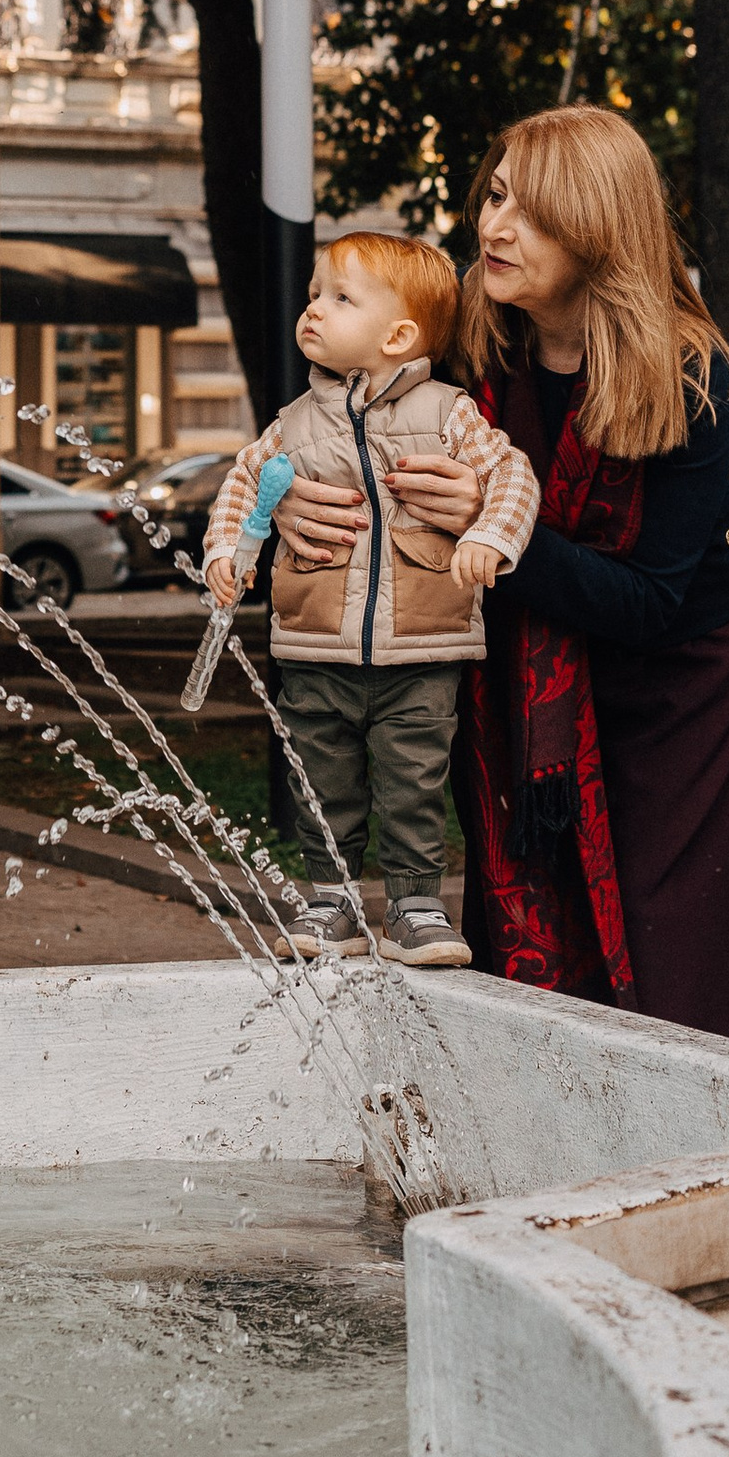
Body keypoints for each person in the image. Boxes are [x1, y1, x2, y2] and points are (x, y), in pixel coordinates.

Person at [270, 107, 729, 1057]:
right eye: (494, 196)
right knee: (530, 912)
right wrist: (290, 502)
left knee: (679, 942)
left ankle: (714, 1144)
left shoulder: (689, 376)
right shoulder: (468, 336)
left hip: (684, 673)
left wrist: (492, 532)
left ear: (599, 228)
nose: (492, 228)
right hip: (520, 675)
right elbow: (331, 421)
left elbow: (650, 602)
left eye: (532, 213)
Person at [202, 229, 538, 967]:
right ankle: (333, 901)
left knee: (413, 776)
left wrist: (492, 537)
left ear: (399, 335)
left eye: (340, 298)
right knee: (321, 775)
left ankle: (416, 904)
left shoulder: (448, 413)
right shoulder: (294, 423)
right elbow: (242, 486)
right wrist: (227, 552)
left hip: (421, 642)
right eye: (316, 293)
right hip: (315, 639)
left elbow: (513, 476)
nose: (314, 309)